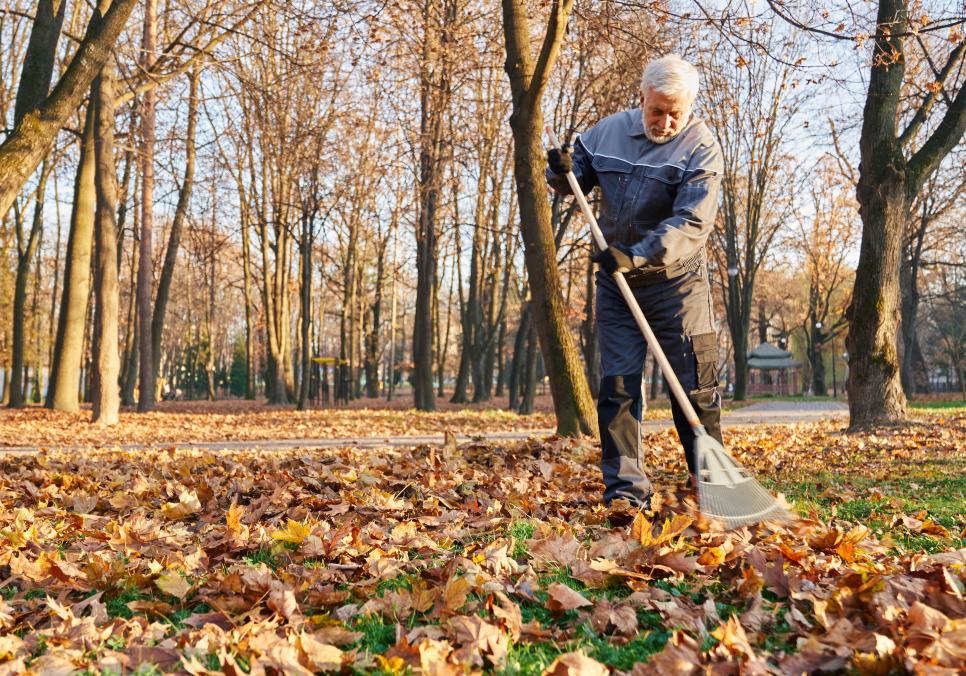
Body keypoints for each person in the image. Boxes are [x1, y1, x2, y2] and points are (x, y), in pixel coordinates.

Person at [546, 54, 724, 508]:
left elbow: (691, 222)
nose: (664, 121)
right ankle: (626, 492)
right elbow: (575, 180)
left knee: (694, 388)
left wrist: (638, 256)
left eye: (675, 113)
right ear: (641, 96)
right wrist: (561, 169)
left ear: (689, 109)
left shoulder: (700, 147)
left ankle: (714, 486)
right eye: (656, 110)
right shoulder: (606, 132)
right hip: (616, 287)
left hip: (676, 286)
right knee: (619, 388)